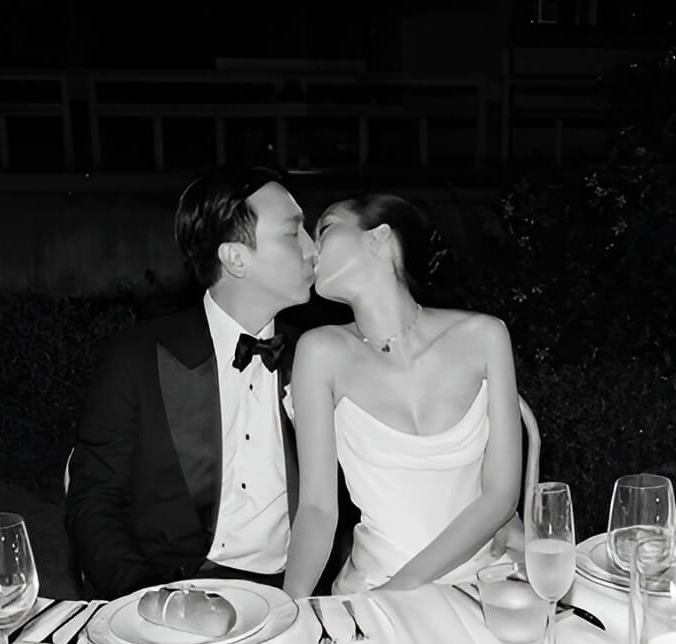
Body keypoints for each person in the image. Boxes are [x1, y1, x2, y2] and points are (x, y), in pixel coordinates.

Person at [65, 165, 323, 600]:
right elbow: (94, 502)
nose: (313, 249)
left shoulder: (319, 360)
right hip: (168, 587)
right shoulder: (137, 359)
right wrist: (151, 601)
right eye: (292, 233)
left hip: (291, 593)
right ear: (235, 258)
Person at [281, 193, 523, 597]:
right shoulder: (320, 352)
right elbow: (317, 510)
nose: (310, 247)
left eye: (325, 229)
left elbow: (501, 496)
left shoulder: (484, 337)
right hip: (372, 589)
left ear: (379, 237)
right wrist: (289, 608)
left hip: (480, 587)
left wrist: (400, 590)